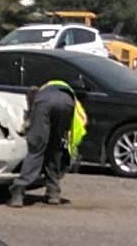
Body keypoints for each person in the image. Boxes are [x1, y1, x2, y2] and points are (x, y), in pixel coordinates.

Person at [9, 77, 84, 207]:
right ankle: (53, 192)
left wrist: (28, 128)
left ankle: (18, 191)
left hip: (46, 103)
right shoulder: (69, 95)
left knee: (36, 149)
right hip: (66, 103)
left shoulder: (42, 95)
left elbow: (31, 123)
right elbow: (75, 126)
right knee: (55, 148)